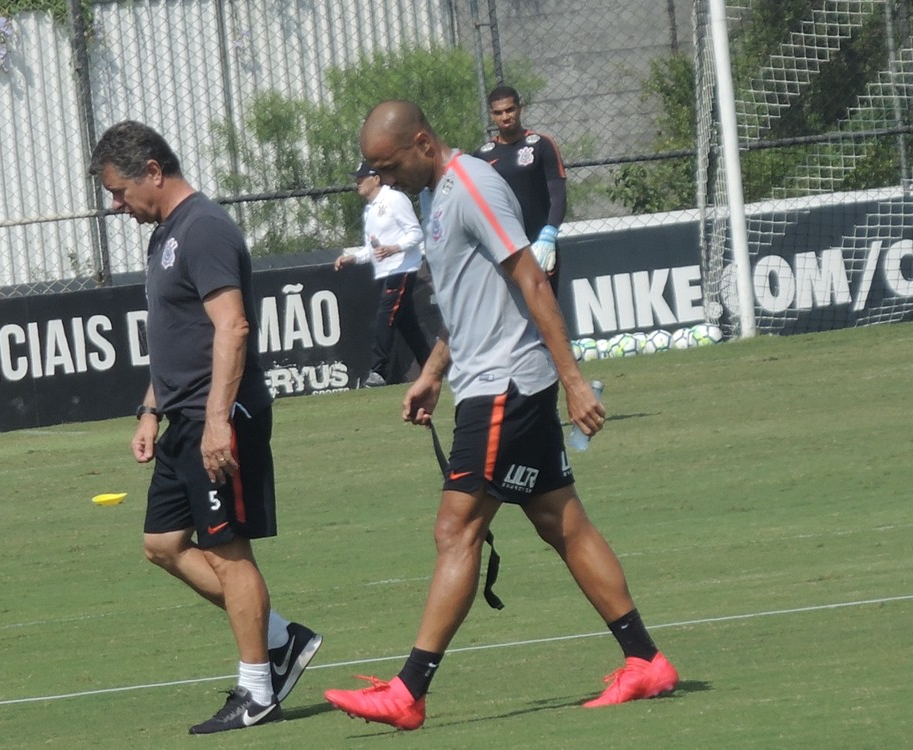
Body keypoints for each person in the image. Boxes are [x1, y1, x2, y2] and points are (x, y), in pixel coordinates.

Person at [323, 101, 677, 730]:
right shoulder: (437, 197)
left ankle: (408, 692)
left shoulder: (472, 185)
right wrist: (432, 374)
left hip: (504, 388)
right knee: (561, 521)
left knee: (456, 529)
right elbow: (469, 302)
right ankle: (645, 659)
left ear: (423, 143)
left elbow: (530, 279)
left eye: (388, 164)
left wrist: (575, 380)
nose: (383, 178)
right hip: (495, 382)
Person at [87, 121, 322, 735]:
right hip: (181, 416)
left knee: (228, 551)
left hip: (218, 417)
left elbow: (232, 327)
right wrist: (149, 408)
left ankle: (257, 691)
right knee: (163, 545)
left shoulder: (206, 228)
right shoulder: (163, 235)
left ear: (153, 172)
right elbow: (177, 337)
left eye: (119, 191)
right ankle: (279, 639)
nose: (117, 205)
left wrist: (218, 419)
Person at [334, 161, 432, 387]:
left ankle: (377, 371)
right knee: (408, 325)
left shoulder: (394, 200)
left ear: (376, 179)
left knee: (385, 318)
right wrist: (353, 258)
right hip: (385, 271)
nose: (357, 182)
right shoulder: (370, 209)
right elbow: (373, 248)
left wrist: (394, 248)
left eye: (362, 178)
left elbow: (416, 233)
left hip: (401, 268)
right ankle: (430, 366)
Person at [472, 85, 567, 294]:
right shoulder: (481, 156)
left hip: (538, 244)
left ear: (520, 109)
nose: (505, 117)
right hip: (503, 248)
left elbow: (558, 194)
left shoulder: (541, 145)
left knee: (547, 312)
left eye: (510, 110)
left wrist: (549, 234)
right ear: (492, 115)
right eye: (498, 112)